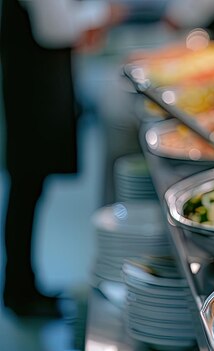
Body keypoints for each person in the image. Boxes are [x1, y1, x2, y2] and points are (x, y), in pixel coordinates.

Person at [0, 0, 123, 317]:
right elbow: (54, 29)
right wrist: (101, 13)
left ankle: (23, 285)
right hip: (33, 83)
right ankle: (20, 291)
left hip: (35, 77)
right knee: (27, 185)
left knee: (29, 187)